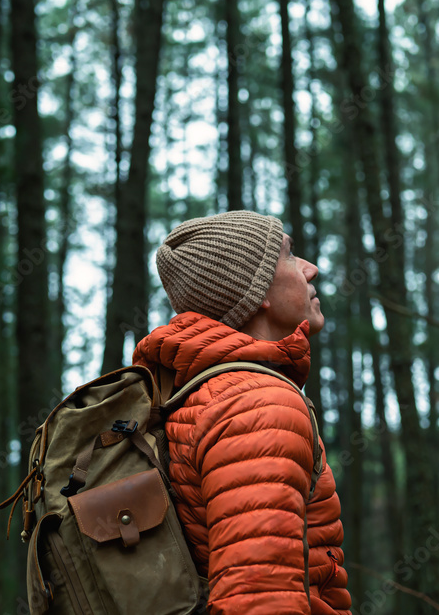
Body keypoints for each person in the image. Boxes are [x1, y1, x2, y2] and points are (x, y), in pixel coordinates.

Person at [132, 210, 351, 615]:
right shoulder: (258, 405)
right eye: (287, 256)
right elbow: (260, 599)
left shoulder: (198, 396)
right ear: (257, 292)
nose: (311, 269)